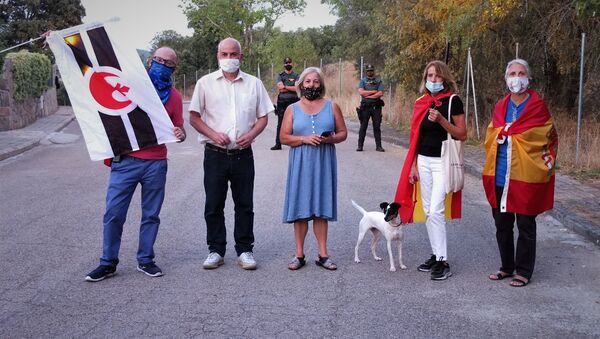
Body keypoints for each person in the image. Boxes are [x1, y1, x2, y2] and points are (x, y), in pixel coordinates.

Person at [85, 47, 186, 282]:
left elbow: (179, 130)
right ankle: (107, 263)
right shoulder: (131, 87)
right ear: (149, 61)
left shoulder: (175, 97)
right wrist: (62, 45)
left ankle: (146, 260)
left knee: (151, 215)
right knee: (113, 214)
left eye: (167, 63)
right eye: (158, 60)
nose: (161, 64)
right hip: (126, 160)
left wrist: (180, 134)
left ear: (174, 69)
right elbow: (97, 72)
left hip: (156, 163)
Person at [189, 37, 273, 270]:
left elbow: (264, 116)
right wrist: (213, 134)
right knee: (214, 204)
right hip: (215, 153)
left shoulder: (254, 84)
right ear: (218, 56)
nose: (229, 59)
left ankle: (245, 250)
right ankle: (215, 250)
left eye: (233, 54)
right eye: (224, 54)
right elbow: (194, 117)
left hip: (243, 155)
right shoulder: (205, 83)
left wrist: (253, 133)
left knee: (244, 204)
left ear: (241, 57)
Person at [483, 59, 558, 287]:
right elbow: (490, 133)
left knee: (525, 224)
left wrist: (515, 135)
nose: (517, 78)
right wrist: (501, 134)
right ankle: (507, 267)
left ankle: (523, 271)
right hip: (500, 172)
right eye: (513, 73)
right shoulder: (500, 106)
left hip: (525, 175)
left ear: (529, 78)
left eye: (521, 73)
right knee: (502, 224)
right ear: (506, 79)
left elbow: (547, 136)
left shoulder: (538, 107)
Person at [393, 60, 466, 281]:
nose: (433, 80)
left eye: (437, 76)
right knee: (428, 211)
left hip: (442, 162)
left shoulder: (453, 101)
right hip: (423, 161)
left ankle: (443, 261)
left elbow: (462, 134)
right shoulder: (422, 102)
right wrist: (413, 164)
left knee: (435, 211)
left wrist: (442, 120)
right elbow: (417, 136)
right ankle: (435, 255)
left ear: (445, 78)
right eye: (429, 76)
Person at [280, 67, 348, 271]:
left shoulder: (332, 106)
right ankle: (299, 254)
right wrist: (304, 138)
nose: (312, 85)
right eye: (307, 82)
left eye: (316, 81)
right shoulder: (292, 108)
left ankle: (323, 254)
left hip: (323, 161)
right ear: (301, 85)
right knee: (301, 208)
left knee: (321, 207)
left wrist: (331, 138)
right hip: (300, 162)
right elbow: (284, 137)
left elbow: (343, 133)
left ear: (321, 84)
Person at [271, 57, 300, 150]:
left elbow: (297, 88)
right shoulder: (280, 75)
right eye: (286, 63)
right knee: (280, 123)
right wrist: (291, 87)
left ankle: (296, 142)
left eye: (289, 63)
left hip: (295, 100)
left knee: (296, 122)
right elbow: (280, 87)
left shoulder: (296, 75)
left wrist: (285, 87)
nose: (288, 64)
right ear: (284, 65)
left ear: (292, 64)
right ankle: (278, 144)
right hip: (282, 101)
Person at [357, 64, 385, 152]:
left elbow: (380, 93)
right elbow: (361, 92)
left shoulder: (378, 80)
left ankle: (379, 146)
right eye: (368, 71)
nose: (370, 72)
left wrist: (368, 96)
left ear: (374, 71)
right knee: (363, 126)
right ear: (366, 72)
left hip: (376, 107)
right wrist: (373, 92)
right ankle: (360, 146)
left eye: (371, 70)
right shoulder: (363, 81)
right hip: (365, 108)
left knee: (377, 127)